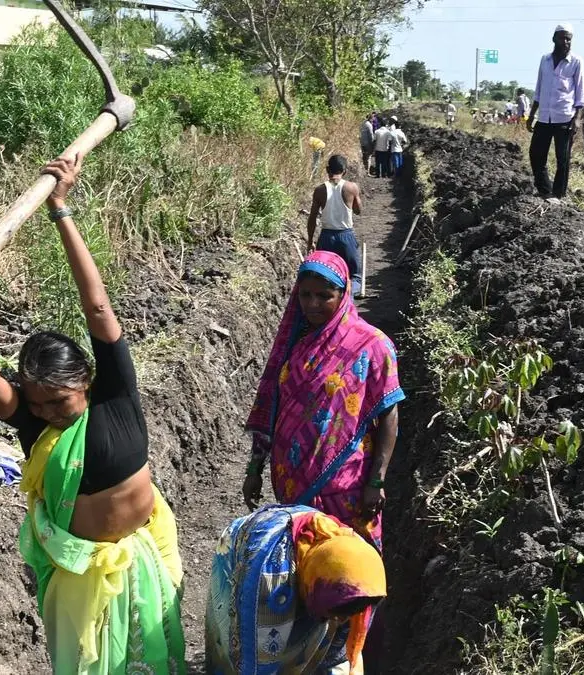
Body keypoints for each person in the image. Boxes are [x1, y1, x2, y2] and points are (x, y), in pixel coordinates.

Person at [0, 157, 185, 674]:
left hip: (143, 557)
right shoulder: (38, 424)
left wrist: (60, 210)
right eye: (36, 403)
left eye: (59, 401)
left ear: (86, 381)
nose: (46, 413)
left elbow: (97, 309)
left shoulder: (115, 397)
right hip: (79, 578)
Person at [243, 251, 406, 551]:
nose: (312, 304)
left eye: (324, 296)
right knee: (302, 560)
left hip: (346, 484)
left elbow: (389, 414)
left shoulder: (372, 345)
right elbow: (271, 405)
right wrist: (254, 468)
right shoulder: (294, 344)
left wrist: (377, 481)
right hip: (291, 481)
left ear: (343, 295)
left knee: (350, 562)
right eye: (305, 295)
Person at [205, 505, 386, 675]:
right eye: (339, 613)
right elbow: (255, 662)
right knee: (240, 647)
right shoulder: (271, 578)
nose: (342, 619)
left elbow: (336, 655)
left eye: (349, 612)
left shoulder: (362, 580)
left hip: (320, 582)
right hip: (248, 554)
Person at [526, 23, 584, 200]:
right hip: (544, 117)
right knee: (536, 154)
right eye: (562, 38)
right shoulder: (544, 60)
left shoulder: (576, 62)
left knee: (563, 158)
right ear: (554, 39)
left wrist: (577, 119)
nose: (566, 42)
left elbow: (580, 93)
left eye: (569, 39)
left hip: (565, 117)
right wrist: (531, 115)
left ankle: (559, 195)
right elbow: (539, 89)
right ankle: (545, 190)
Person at [308, 155, 363, 297]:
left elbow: (312, 217)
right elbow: (358, 210)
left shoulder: (320, 190)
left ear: (327, 170)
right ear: (344, 171)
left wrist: (310, 241)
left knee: (325, 276)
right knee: (355, 276)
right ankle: (347, 299)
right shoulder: (351, 187)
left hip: (326, 237)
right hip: (346, 236)